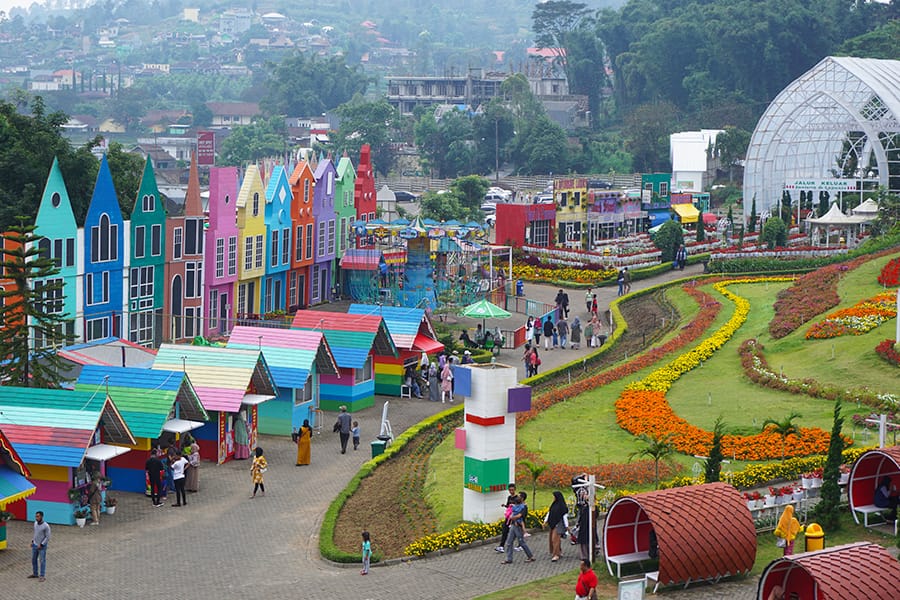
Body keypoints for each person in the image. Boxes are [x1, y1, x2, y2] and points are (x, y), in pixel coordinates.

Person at [501, 494, 535, 564]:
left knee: (521, 542)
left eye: (519, 496)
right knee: (509, 542)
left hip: (518, 526)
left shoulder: (524, 507)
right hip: (513, 525)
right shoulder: (516, 506)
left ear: (522, 499)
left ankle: (530, 556)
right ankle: (509, 558)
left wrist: (512, 517)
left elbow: (520, 515)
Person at [544, 491, 569, 562]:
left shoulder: (562, 506)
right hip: (552, 524)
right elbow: (549, 513)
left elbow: (564, 516)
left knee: (555, 540)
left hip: (558, 524)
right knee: (554, 539)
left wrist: (567, 526)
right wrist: (545, 521)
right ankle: (558, 551)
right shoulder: (553, 505)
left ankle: (556, 554)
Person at [495, 483, 518, 552]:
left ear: (515, 490)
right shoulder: (509, 497)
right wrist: (505, 505)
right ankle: (501, 545)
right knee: (505, 530)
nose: (511, 491)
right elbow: (508, 506)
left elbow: (518, 507)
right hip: (508, 517)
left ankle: (520, 545)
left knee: (517, 532)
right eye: (510, 490)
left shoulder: (517, 498)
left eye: (512, 490)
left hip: (514, 517)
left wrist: (513, 506)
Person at [29, 511, 50, 581]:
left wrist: (41, 544)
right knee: (33, 559)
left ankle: (42, 576)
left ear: (41, 517)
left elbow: (48, 537)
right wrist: (33, 541)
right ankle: (35, 573)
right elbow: (36, 534)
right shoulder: (35, 524)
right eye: (36, 516)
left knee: (42, 560)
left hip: (42, 546)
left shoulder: (46, 526)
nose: (36, 518)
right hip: (35, 544)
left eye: (38, 516)